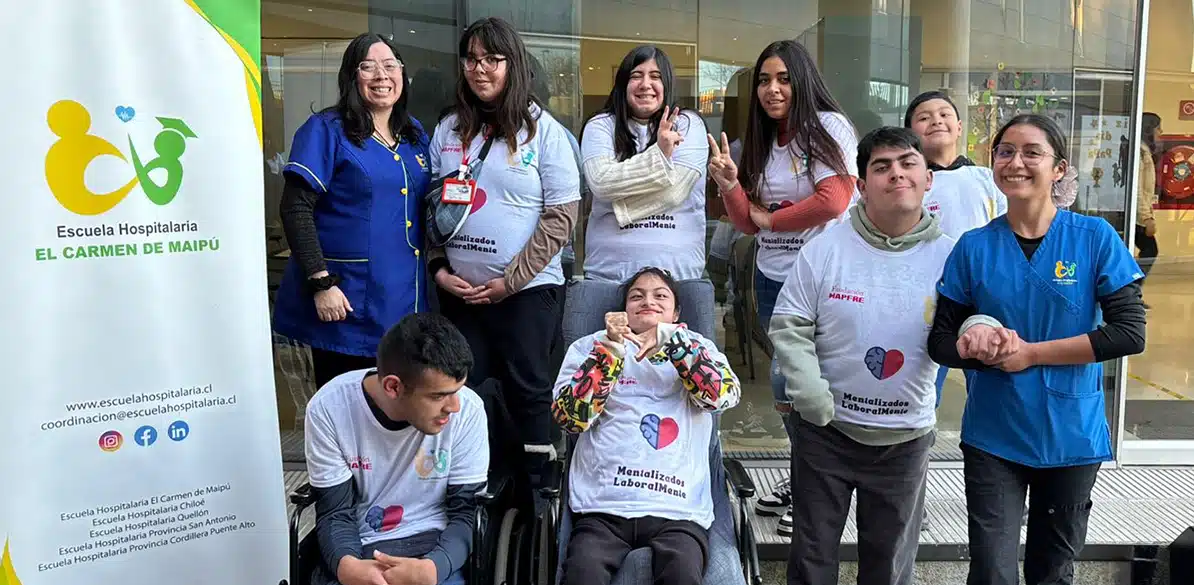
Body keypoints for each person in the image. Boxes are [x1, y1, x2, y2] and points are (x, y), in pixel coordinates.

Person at [928, 114, 1146, 585]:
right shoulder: (974, 247)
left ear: (1060, 168)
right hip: (994, 432)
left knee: (1053, 570)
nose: (1016, 162)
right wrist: (974, 344)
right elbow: (940, 342)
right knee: (991, 571)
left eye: (1031, 152)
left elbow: (1130, 332)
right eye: (1005, 152)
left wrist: (1030, 354)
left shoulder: (1094, 240)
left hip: (1070, 433)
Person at [770, 127, 951, 585]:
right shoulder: (824, 250)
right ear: (862, 183)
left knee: (888, 565)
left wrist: (981, 330)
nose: (896, 174)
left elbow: (972, 320)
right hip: (825, 434)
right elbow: (789, 325)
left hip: (905, 438)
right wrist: (807, 391)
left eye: (908, 163)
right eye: (881, 166)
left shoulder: (952, 256)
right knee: (812, 558)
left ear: (927, 178)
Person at [707, 39, 858, 535]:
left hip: (824, 279)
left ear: (802, 80)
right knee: (789, 389)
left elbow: (834, 201)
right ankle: (806, 477)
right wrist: (730, 184)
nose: (773, 90)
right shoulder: (760, 140)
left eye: (783, 79)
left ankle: (819, 493)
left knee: (813, 385)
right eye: (764, 81)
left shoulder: (828, 127)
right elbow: (746, 222)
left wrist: (770, 220)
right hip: (774, 280)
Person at [428, 17, 581, 485]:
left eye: (493, 59)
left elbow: (561, 218)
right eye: (472, 59)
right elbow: (433, 206)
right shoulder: (450, 130)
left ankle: (539, 495)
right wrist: (438, 269)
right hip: (459, 296)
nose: (481, 69)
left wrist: (509, 281)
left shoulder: (544, 132)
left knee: (529, 393)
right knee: (460, 390)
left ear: (512, 65)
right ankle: (470, 488)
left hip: (526, 294)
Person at [552, 267, 741, 585]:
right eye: (636, 296)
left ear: (677, 312)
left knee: (682, 574)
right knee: (582, 575)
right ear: (623, 309)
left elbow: (721, 396)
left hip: (678, 508)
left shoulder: (697, 346)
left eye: (660, 295)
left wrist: (675, 344)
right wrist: (611, 352)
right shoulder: (591, 346)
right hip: (604, 506)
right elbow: (570, 418)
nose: (647, 301)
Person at [274, 33, 432, 388]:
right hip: (346, 301)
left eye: (390, 66)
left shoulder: (414, 134)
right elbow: (296, 208)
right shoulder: (326, 130)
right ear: (351, 76)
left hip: (405, 299)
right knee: (345, 409)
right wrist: (320, 282)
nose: (381, 76)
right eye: (368, 66)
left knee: (396, 406)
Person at [304, 313, 489, 585]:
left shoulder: (469, 411)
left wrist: (433, 568)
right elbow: (335, 512)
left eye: (457, 390)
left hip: (435, 548)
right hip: (360, 547)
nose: (454, 407)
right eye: (438, 396)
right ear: (393, 386)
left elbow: (467, 513)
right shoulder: (329, 409)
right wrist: (350, 568)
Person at [580, 45, 708, 282]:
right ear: (623, 84)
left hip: (678, 277)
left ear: (667, 85)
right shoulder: (599, 126)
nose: (645, 84)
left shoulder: (689, 125)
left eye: (656, 76)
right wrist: (660, 154)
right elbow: (601, 183)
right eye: (636, 75)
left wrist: (620, 204)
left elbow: (674, 191)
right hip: (607, 274)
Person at [1136, 112, 1161, 308]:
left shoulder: (1144, 151)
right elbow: (1136, 188)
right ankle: (1130, 293)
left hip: (1139, 214)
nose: (1161, 132)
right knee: (1150, 249)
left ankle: (1131, 293)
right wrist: (1146, 217)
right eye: (1158, 127)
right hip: (1136, 215)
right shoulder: (1140, 152)